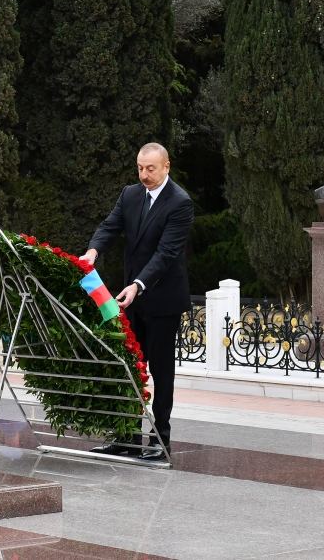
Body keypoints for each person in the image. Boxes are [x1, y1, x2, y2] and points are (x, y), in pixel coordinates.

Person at [79, 142, 194, 460]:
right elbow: (109, 227)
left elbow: (166, 254)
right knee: (128, 366)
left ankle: (160, 440)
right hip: (130, 299)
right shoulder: (130, 194)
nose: (144, 174)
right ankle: (127, 438)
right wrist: (94, 251)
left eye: (151, 168)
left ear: (166, 166)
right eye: (140, 168)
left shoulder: (180, 202)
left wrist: (139, 284)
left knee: (160, 370)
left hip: (161, 300)